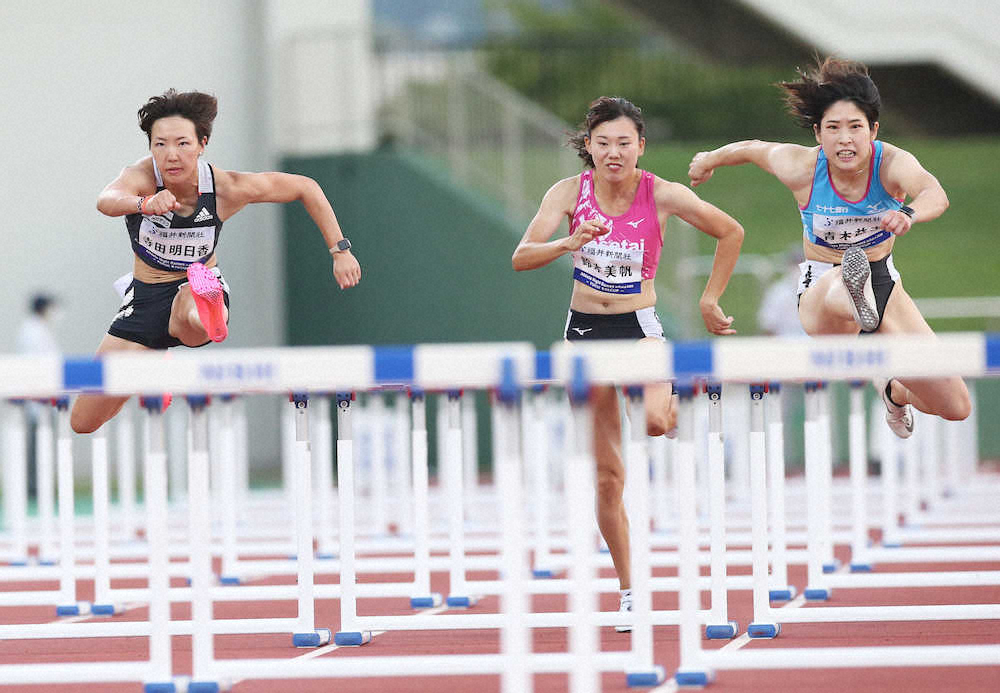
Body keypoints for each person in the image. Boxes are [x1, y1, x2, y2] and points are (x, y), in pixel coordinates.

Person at [512, 96, 744, 630]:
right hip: (584, 335)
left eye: (624, 143)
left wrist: (710, 299)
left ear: (641, 146)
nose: (613, 153)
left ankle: (681, 396)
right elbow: (522, 256)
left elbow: (730, 231)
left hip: (639, 328)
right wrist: (569, 242)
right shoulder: (569, 193)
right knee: (608, 478)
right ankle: (629, 589)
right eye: (602, 143)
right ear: (588, 147)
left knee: (658, 421)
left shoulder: (659, 193)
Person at [688, 57, 971, 438]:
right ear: (818, 134)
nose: (845, 139)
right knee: (844, 279)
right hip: (822, 286)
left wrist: (908, 213)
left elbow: (934, 192)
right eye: (833, 128)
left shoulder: (891, 164)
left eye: (855, 127)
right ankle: (855, 299)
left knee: (955, 405)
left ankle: (893, 388)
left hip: (884, 281)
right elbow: (752, 149)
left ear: (873, 130)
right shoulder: (802, 166)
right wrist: (708, 160)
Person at [71, 89, 361, 434]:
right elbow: (107, 199)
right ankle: (153, 367)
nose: (171, 155)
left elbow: (305, 187)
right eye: (160, 145)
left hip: (192, 285)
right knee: (84, 421)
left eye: (182, 144)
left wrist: (340, 250)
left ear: (202, 144)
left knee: (193, 315)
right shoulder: (142, 176)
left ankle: (208, 307)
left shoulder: (225, 188)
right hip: (144, 297)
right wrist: (144, 204)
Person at [17, 293, 62, 499]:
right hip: (37, 398)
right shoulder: (33, 331)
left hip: (45, 397)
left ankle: (40, 484)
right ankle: (34, 487)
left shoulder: (40, 330)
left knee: (41, 443)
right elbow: (37, 363)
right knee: (36, 445)